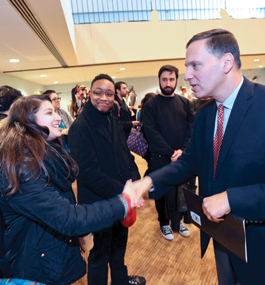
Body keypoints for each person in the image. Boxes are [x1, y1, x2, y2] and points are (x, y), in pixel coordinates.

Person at [134, 28, 265, 285]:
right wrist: (148, 183)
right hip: (223, 237)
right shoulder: (205, 112)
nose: (188, 75)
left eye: (195, 65)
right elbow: (190, 161)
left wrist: (231, 199)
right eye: (187, 66)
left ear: (226, 62)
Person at [0, 95, 139, 284]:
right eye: (49, 112)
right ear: (28, 120)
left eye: (55, 111)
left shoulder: (45, 156)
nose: (58, 117)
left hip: (52, 255)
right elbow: (68, 218)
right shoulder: (22, 166)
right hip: (35, 268)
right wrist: (123, 202)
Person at [68, 74, 146, 285]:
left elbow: (128, 157)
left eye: (109, 93)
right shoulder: (79, 128)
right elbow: (89, 174)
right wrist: (127, 192)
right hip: (97, 204)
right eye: (98, 92)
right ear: (89, 95)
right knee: (98, 258)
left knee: (119, 251)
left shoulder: (113, 120)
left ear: (115, 96)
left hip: (121, 201)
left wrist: (136, 184)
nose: (104, 97)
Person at [143, 65, 194, 240]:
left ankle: (177, 221)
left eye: (171, 79)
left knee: (180, 190)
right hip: (159, 156)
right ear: (159, 80)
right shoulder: (151, 105)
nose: (168, 83)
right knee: (162, 192)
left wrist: (181, 150)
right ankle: (164, 223)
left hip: (181, 156)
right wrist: (170, 151)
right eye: (164, 79)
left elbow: (190, 129)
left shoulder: (186, 103)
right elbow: (151, 132)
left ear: (176, 80)